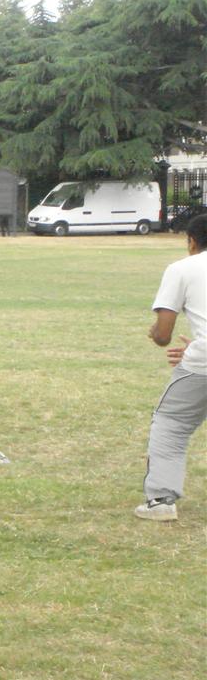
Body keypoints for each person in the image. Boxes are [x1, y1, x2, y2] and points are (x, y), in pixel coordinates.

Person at [135, 214, 207, 521]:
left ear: (191, 241)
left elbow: (163, 335)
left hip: (201, 366)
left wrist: (155, 333)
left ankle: (161, 501)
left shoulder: (182, 268)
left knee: (171, 423)